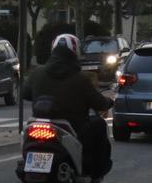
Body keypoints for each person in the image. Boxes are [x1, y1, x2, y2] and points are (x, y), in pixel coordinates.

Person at [22, 34, 114, 180]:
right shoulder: (80, 78)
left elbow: (24, 94)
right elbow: (99, 103)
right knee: (99, 125)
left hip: (39, 124)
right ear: (75, 52)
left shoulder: (37, 72)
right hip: (72, 126)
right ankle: (95, 173)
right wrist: (109, 101)